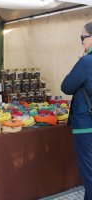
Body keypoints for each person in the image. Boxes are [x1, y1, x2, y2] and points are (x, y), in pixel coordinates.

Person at [61, 22, 92, 199]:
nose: (82, 42)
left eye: (83, 37)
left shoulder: (87, 61)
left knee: (89, 173)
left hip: (86, 124)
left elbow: (66, 86)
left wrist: (80, 58)